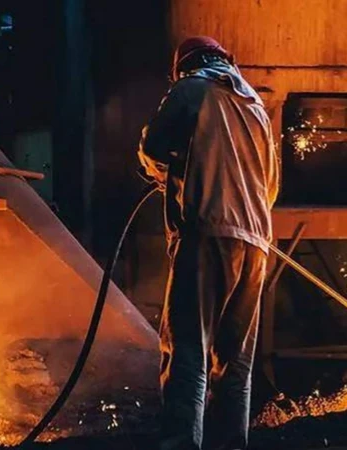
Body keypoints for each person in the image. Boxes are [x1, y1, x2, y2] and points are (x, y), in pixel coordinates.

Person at [138, 36, 279, 450]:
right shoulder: (256, 107)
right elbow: (269, 186)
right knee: (235, 363)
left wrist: (165, 170)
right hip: (257, 241)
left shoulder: (190, 88)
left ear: (183, 66)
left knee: (188, 351)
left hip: (206, 232)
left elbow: (153, 147)